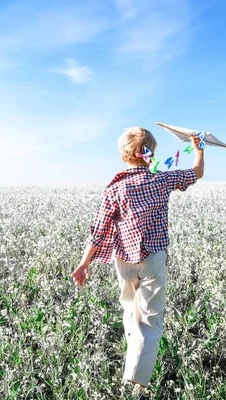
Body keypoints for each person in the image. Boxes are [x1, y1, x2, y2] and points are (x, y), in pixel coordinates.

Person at [71, 127, 204, 398]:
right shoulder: (161, 179)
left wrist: (85, 263)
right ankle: (137, 384)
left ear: (124, 157)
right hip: (154, 258)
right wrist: (198, 147)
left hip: (124, 259)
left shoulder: (115, 189)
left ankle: (131, 374)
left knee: (130, 313)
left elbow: (98, 230)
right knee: (150, 320)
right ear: (150, 155)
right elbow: (196, 173)